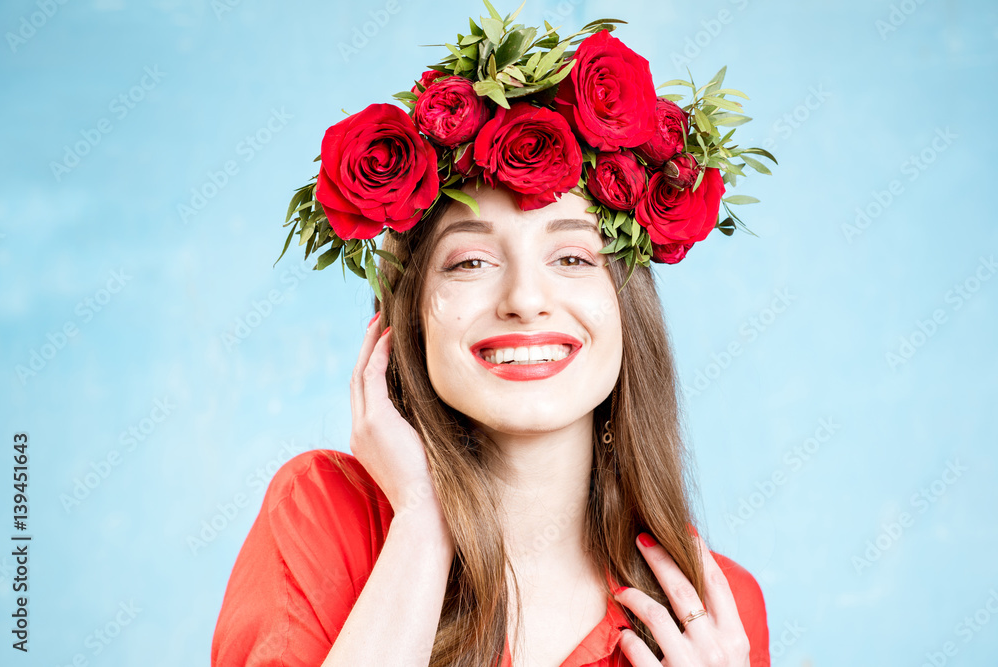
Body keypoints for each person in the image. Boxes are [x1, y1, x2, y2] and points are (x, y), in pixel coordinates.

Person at [213, 6, 775, 666]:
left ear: (629, 311)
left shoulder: (714, 609)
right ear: (407, 317)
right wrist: (421, 525)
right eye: (471, 262)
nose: (526, 300)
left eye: (572, 257)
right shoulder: (323, 516)